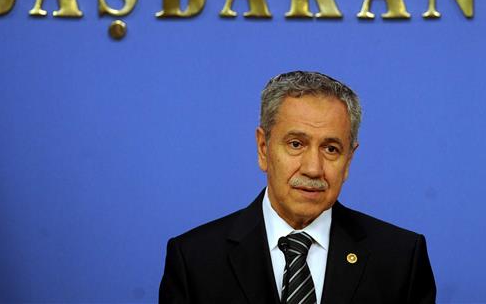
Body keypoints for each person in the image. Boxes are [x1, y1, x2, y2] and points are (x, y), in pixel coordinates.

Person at [159, 71, 436, 303]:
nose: (313, 168)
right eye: (296, 144)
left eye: (330, 148)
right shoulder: (194, 260)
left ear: (349, 160)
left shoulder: (400, 259)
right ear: (263, 148)